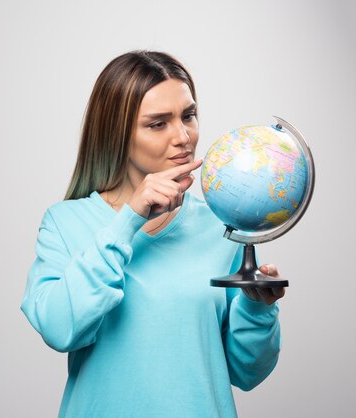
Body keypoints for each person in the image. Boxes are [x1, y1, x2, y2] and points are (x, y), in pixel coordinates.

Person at [21, 50, 285, 418]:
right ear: (117, 133)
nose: (183, 136)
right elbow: (60, 329)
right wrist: (130, 220)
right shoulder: (65, 223)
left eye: (188, 116)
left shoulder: (221, 226)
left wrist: (258, 309)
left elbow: (247, 372)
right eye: (158, 123)